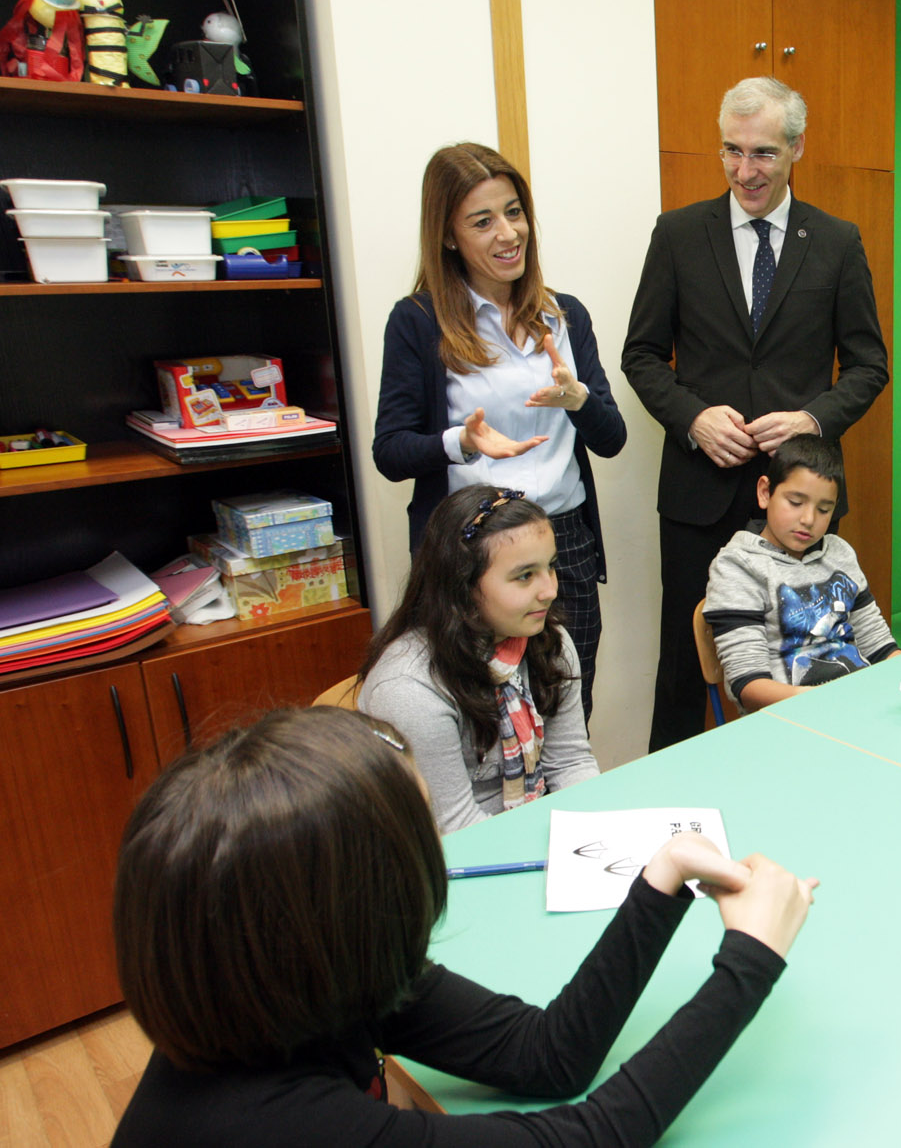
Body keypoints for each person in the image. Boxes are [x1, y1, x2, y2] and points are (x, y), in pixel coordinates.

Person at [110, 707, 816, 1146]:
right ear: (349, 902)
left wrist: (662, 877)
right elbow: (587, 1139)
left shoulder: (298, 969)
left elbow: (550, 1054)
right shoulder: (277, 1123)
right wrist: (748, 964)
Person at [623, 76, 889, 752]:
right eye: (732, 151)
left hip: (802, 494)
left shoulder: (836, 241)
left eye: (764, 153)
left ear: (797, 147)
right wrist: (692, 418)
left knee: (810, 655)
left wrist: (811, 421)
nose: (746, 171)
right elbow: (641, 354)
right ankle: (671, 793)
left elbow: (868, 365)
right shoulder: (678, 234)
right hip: (698, 494)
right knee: (685, 665)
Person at [373, 142, 625, 720]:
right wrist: (460, 442)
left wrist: (578, 400)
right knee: (480, 721)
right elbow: (390, 451)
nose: (508, 234)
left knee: (568, 709)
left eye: (514, 213)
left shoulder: (565, 315)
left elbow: (611, 440)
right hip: (472, 549)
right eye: (482, 221)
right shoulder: (419, 321)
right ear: (448, 235)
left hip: (563, 541)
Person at [358, 485, 599, 833]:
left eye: (551, 567)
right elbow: (454, 828)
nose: (550, 590)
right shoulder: (409, 690)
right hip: (455, 847)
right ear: (463, 585)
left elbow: (570, 762)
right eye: (525, 576)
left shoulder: (550, 641)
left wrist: (595, 833)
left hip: (527, 831)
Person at [704, 434, 899, 711]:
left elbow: (880, 647)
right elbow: (747, 684)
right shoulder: (738, 567)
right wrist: (827, 700)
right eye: (795, 502)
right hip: (789, 717)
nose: (808, 520)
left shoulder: (839, 554)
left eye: (824, 509)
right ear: (765, 492)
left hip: (857, 704)